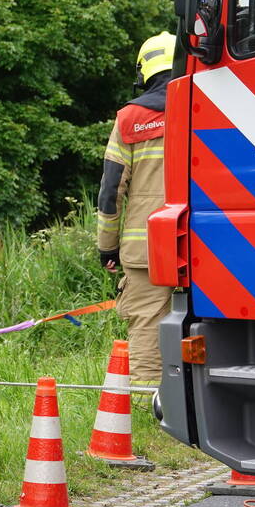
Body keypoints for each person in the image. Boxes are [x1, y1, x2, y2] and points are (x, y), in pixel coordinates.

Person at [97, 31, 175, 385]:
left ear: (145, 70)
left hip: (148, 247)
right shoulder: (212, 107)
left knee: (145, 323)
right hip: (212, 244)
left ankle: (148, 409)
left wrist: (107, 246)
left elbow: (111, 190)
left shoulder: (130, 118)